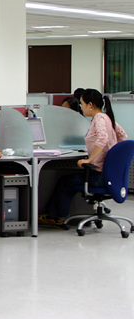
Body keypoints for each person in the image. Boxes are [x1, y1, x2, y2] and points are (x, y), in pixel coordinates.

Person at [40, 89, 127, 229]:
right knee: (68, 181)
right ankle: (57, 215)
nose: (81, 107)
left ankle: (57, 217)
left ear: (90, 104)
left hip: (99, 174)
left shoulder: (99, 118)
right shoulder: (107, 118)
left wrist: (90, 159)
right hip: (109, 173)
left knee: (64, 182)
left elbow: (103, 138)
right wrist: (111, 156)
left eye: (82, 104)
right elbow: (123, 137)